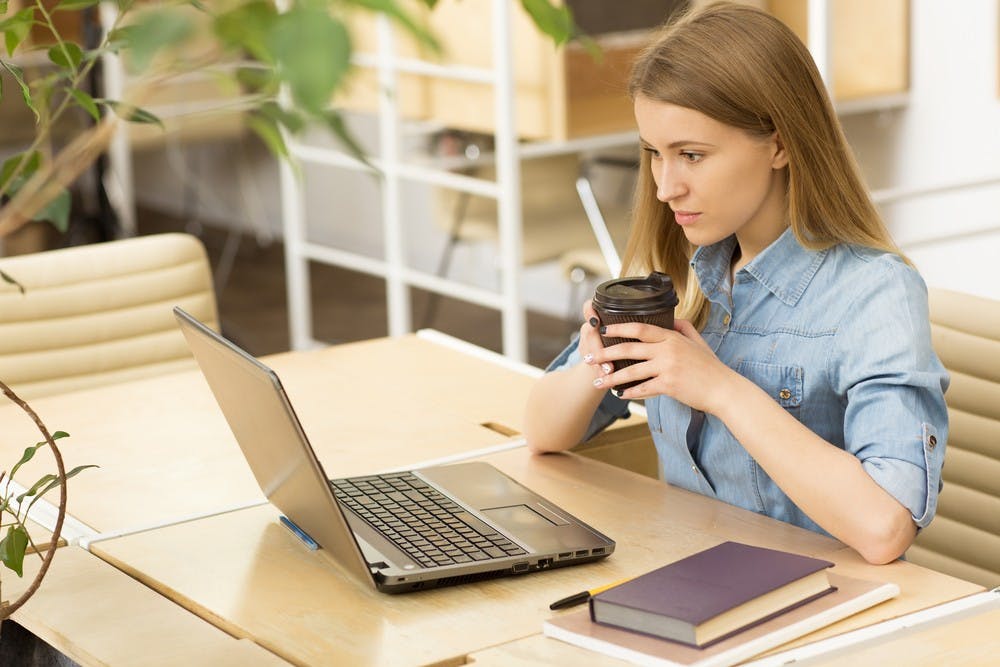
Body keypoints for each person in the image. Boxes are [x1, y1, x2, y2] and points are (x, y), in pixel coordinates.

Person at [524, 1, 948, 565]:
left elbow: (884, 527)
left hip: (814, 604)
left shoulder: (874, 294)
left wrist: (719, 389)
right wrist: (597, 359)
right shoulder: (683, 270)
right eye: (655, 154)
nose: (664, 187)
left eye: (692, 155)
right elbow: (541, 431)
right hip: (685, 570)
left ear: (779, 144)